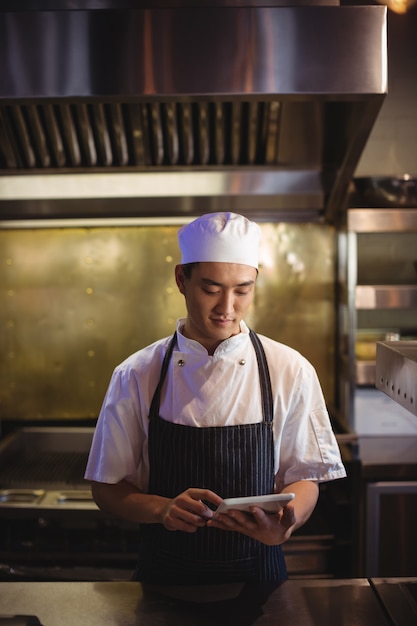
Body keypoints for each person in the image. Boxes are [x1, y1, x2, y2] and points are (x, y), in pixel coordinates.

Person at [85, 211, 346, 585]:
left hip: (259, 583)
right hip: (164, 583)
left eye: (242, 290)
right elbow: (107, 487)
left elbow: (305, 478)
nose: (227, 307)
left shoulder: (289, 369)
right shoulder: (137, 373)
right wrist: (163, 510)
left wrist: (286, 526)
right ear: (181, 279)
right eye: (211, 289)